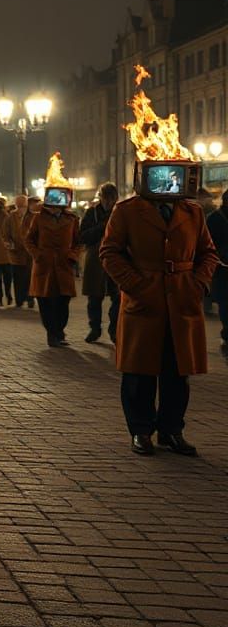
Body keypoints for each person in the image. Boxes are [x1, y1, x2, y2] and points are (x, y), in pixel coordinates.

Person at [100, 183, 219, 456]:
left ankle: (171, 430)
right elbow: (109, 252)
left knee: (177, 372)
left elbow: (208, 253)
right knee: (139, 372)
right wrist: (136, 286)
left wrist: (198, 285)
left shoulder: (192, 211)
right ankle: (140, 430)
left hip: (182, 301)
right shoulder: (127, 211)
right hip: (144, 302)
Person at [25, 195, 80, 347]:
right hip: (44, 265)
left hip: (64, 264)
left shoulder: (71, 219)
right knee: (46, 302)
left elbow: (78, 241)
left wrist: (73, 256)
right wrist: (37, 255)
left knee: (63, 300)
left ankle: (59, 331)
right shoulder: (38, 218)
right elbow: (29, 240)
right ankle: (52, 334)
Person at [80, 183, 120, 343]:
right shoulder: (92, 213)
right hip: (95, 260)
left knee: (118, 297)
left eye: (112, 199)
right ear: (101, 198)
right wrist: (102, 227)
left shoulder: (120, 212)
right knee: (94, 298)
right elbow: (82, 236)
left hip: (116, 260)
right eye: (106, 198)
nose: (109, 202)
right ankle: (95, 328)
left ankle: (114, 329)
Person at [206, 191, 228, 349]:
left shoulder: (213, 218)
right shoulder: (214, 218)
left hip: (220, 268)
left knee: (224, 303)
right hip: (221, 269)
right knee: (225, 303)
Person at [5, 195, 32, 307]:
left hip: (30, 254)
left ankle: (30, 298)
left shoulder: (32, 216)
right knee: (18, 278)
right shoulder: (11, 217)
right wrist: (9, 243)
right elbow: (5, 233)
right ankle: (19, 300)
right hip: (16, 254)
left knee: (29, 278)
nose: (21, 209)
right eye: (19, 206)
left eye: (23, 206)